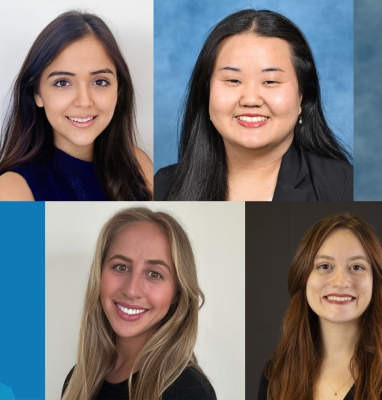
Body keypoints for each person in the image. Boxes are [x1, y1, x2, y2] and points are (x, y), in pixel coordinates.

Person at [154, 9, 352, 201]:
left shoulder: (341, 185)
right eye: (233, 80)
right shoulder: (164, 185)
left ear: (302, 96)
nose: (250, 100)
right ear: (206, 93)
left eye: (270, 81)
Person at [258, 214, 382, 400]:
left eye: (356, 267)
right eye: (324, 266)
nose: (341, 281)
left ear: (376, 281)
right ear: (303, 278)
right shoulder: (275, 375)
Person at [61, 207, 216, 400]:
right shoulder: (77, 380)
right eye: (121, 267)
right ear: (98, 275)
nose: (131, 290)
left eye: (154, 274)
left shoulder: (187, 389)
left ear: (177, 293)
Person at [0, 11, 152, 201]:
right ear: (37, 94)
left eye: (100, 82)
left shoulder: (138, 163)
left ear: (118, 90)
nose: (84, 101)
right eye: (62, 83)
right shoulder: (12, 192)